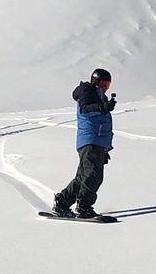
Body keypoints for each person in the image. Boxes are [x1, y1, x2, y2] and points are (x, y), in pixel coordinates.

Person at [52, 68, 116, 218]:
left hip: (96, 142)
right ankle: (84, 206)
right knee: (94, 175)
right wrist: (102, 108)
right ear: (95, 81)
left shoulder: (101, 98)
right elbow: (86, 109)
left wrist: (104, 148)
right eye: (103, 84)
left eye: (108, 86)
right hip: (91, 139)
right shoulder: (86, 92)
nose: (105, 88)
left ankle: (62, 202)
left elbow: (103, 122)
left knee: (83, 177)